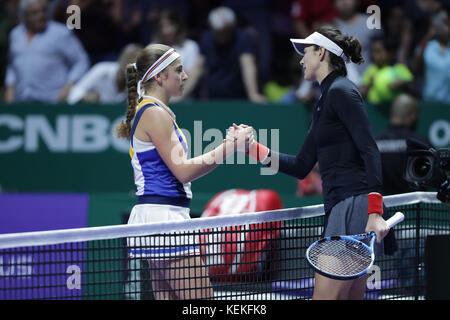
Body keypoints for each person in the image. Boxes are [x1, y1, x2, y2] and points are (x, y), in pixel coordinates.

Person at [228, 25, 397, 300]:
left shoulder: (342, 91)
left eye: (305, 52)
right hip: (344, 205)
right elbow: (301, 165)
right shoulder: (326, 98)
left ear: (321, 53)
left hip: (353, 204)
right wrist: (251, 148)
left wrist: (375, 211)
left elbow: (370, 149)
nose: (301, 60)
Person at [115, 43, 252, 300]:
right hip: (165, 220)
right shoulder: (154, 113)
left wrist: (226, 146)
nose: (185, 76)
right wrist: (230, 146)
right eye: (178, 70)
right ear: (159, 76)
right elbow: (184, 172)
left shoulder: (154, 111)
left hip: (156, 218)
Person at [5, 0, 89, 103]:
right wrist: (10, 87)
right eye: (34, 13)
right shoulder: (15, 34)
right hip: (22, 102)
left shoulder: (60, 33)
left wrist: (70, 84)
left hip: (53, 102)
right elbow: (12, 65)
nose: (40, 16)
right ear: (24, 15)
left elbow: (81, 60)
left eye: (43, 11)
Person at [198, 6, 267, 103]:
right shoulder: (206, 38)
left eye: (225, 31)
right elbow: (197, 68)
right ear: (212, 27)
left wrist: (253, 94)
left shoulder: (243, 38)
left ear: (233, 26)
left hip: (239, 100)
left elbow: (247, 65)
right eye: (218, 32)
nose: (222, 35)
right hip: (213, 100)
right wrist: (182, 95)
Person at [376, 94, 432, 196]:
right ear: (410, 113)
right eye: (416, 114)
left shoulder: (374, 143)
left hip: (381, 209)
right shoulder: (420, 143)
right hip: (413, 209)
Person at [151, 8, 203, 101]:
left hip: (185, 98)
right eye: (162, 26)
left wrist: (177, 99)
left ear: (178, 26)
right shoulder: (152, 47)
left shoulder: (190, 46)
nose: (166, 31)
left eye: (170, 25)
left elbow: (191, 75)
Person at [68, 43, 142, 104]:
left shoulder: (140, 83)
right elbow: (73, 94)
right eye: (130, 58)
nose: (133, 63)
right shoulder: (102, 70)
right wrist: (86, 97)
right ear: (120, 59)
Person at [360, 36, 414, 105]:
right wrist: (369, 85)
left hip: (395, 108)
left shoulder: (400, 68)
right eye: (373, 51)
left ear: (391, 53)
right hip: (375, 111)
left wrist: (403, 83)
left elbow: (413, 87)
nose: (374, 55)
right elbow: (361, 93)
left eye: (378, 51)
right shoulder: (371, 69)